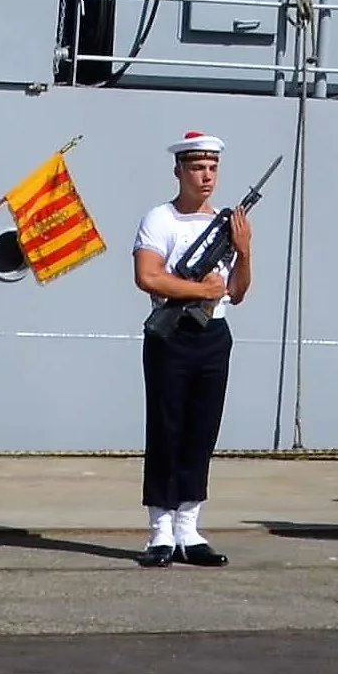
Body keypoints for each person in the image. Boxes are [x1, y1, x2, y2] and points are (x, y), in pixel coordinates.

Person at [132, 132, 251, 567]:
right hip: (172, 333)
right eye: (198, 168)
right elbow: (148, 276)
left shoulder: (224, 222)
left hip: (213, 334)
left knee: (202, 431)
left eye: (213, 168)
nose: (206, 176)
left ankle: (189, 526)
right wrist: (198, 288)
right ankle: (160, 529)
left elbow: (236, 291)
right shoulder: (160, 219)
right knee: (166, 428)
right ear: (179, 170)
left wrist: (244, 249)